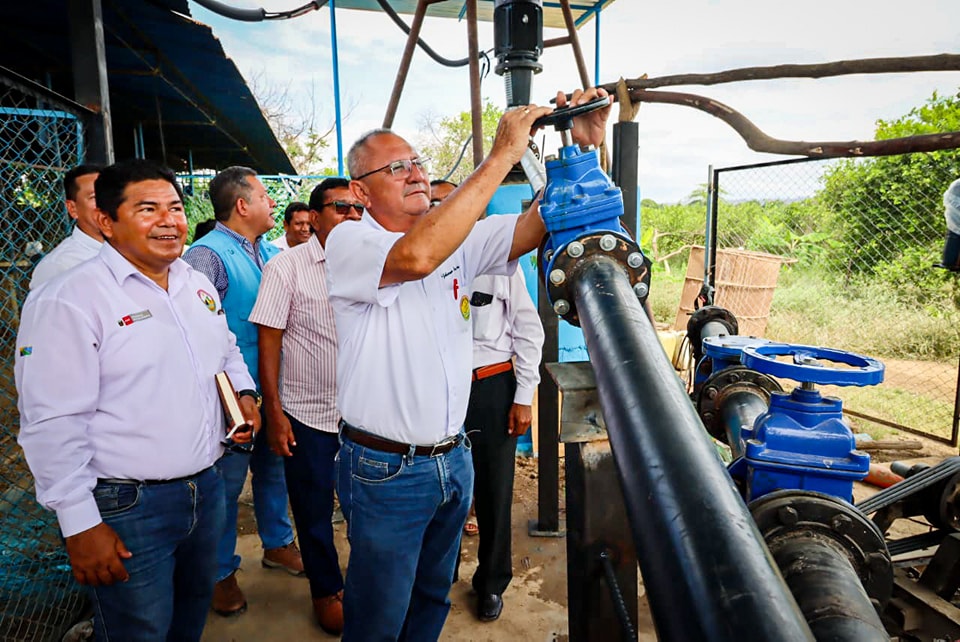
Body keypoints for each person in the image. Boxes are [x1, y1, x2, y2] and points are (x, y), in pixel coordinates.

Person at [325, 86, 609, 641]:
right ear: (360, 189)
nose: (415, 174)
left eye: (418, 163)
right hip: (387, 471)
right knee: (380, 609)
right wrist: (501, 153)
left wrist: (580, 152)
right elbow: (416, 257)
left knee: (432, 596)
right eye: (396, 167)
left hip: (452, 459)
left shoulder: (460, 239)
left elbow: (535, 225)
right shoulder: (351, 242)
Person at [15, 159, 260, 642]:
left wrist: (244, 393)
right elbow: (51, 421)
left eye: (174, 207)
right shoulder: (70, 298)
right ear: (106, 221)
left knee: (189, 618)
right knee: (138, 629)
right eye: (148, 209)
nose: (169, 220)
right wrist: (79, 522)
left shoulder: (194, 282)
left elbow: (225, 349)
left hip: (205, 488)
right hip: (128, 503)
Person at [183, 166, 302, 617]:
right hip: (230, 399)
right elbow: (197, 333)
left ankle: (277, 544)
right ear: (241, 205)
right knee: (225, 489)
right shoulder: (205, 257)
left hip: (274, 389)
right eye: (264, 196)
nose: (272, 203)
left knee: (275, 470)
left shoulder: (270, 252)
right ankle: (219, 572)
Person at [249, 178, 362, 634]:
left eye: (358, 209)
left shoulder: (372, 263)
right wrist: (274, 411)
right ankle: (325, 588)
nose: (353, 216)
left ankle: (365, 583)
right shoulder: (286, 268)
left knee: (366, 509)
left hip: (364, 414)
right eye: (341, 208)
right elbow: (268, 339)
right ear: (314, 218)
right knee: (313, 510)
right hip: (308, 414)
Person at [430, 179, 545, 622]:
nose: (443, 210)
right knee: (442, 489)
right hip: (438, 390)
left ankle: (491, 583)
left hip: (490, 388)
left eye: (452, 202)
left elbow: (528, 332)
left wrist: (523, 396)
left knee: (494, 490)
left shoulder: (500, 265)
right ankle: (440, 578)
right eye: (436, 204)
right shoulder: (416, 265)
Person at [30, 164, 103, 288]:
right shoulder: (59, 266)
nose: (106, 202)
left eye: (112, 195)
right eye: (94, 197)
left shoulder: (134, 250)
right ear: (72, 208)